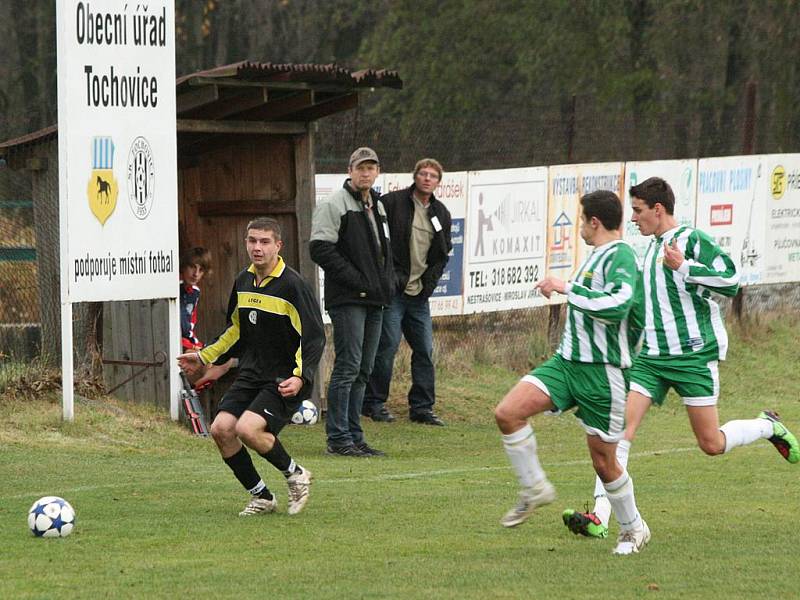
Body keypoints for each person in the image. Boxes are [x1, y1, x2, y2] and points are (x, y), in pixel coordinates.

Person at [562, 176, 800, 540]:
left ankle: (767, 426)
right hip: (652, 358)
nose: (635, 219)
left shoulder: (690, 240)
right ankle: (602, 516)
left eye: (639, 212)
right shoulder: (648, 249)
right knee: (618, 434)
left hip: (692, 356)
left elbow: (732, 280)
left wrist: (685, 267)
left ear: (658, 210)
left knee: (711, 444)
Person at [495, 190, 651, 555]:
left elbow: (620, 303)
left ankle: (633, 529)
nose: (580, 226)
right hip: (566, 365)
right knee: (507, 413)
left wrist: (565, 286)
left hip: (604, 374)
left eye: (582, 220)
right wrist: (571, 287)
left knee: (604, 461)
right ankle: (534, 488)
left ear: (594, 222)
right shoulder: (596, 257)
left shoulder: (621, 255)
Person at [177, 217, 325, 517]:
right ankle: (262, 496)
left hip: (284, 377)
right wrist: (204, 356)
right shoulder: (243, 280)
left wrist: (300, 377)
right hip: (252, 372)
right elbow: (234, 330)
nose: (257, 248)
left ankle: (295, 474)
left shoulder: (293, 285)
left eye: (264, 241)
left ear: (278, 246)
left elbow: (314, 337)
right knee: (220, 429)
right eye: (252, 241)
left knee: (247, 428)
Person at [310, 147, 394, 457]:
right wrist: (358, 281)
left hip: (375, 299)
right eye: (361, 168)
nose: (365, 173)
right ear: (350, 170)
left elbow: (385, 251)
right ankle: (338, 438)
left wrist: (387, 282)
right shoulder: (334, 203)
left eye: (371, 168)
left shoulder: (378, 206)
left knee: (364, 368)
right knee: (347, 367)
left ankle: (355, 436)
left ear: (377, 172)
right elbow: (319, 248)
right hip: (348, 299)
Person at [363, 158, 452, 425]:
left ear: (438, 182)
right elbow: (376, 241)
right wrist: (388, 280)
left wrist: (429, 284)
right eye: (422, 174)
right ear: (415, 177)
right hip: (393, 293)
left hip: (419, 295)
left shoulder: (441, 213)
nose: (427, 178)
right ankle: (374, 403)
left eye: (432, 176)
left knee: (424, 349)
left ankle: (422, 408)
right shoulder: (392, 203)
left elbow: (442, 254)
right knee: (387, 346)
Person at [179, 247, 212, 350]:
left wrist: (198, 346)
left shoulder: (195, 292)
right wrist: (193, 347)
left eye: (201, 270)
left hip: (187, 343)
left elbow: (190, 326)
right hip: (175, 343)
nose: (196, 274)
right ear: (183, 266)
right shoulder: (174, 289)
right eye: (192, 267)